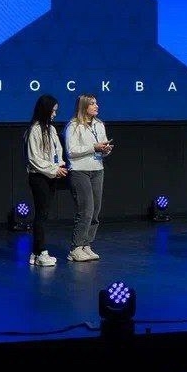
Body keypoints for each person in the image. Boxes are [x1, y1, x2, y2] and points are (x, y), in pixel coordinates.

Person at [64, 94, 112, 262]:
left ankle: (86, 244)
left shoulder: (99, 124)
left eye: (96, 103)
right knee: (86, 210)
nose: (96, 106)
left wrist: (105, 150)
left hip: (97, 169)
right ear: (84, 106)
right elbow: (71, 151)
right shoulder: (73, 126)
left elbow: (102, 146)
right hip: (80, 170)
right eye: (92, 104)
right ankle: (75, 248)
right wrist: (94, 147)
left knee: (95, 211)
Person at [24, 94, 67, 267]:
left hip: (51, 175)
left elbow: (57, 151)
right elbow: (34, 158)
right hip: (39, 176)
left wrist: (60, 165)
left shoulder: (51, 129)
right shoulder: (35, 130)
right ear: (45, 110)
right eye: (53, 111)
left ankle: (35, 253)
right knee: (41, 215)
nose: (55, 114)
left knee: (44, 214)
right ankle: (41, 252)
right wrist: (54, 169)